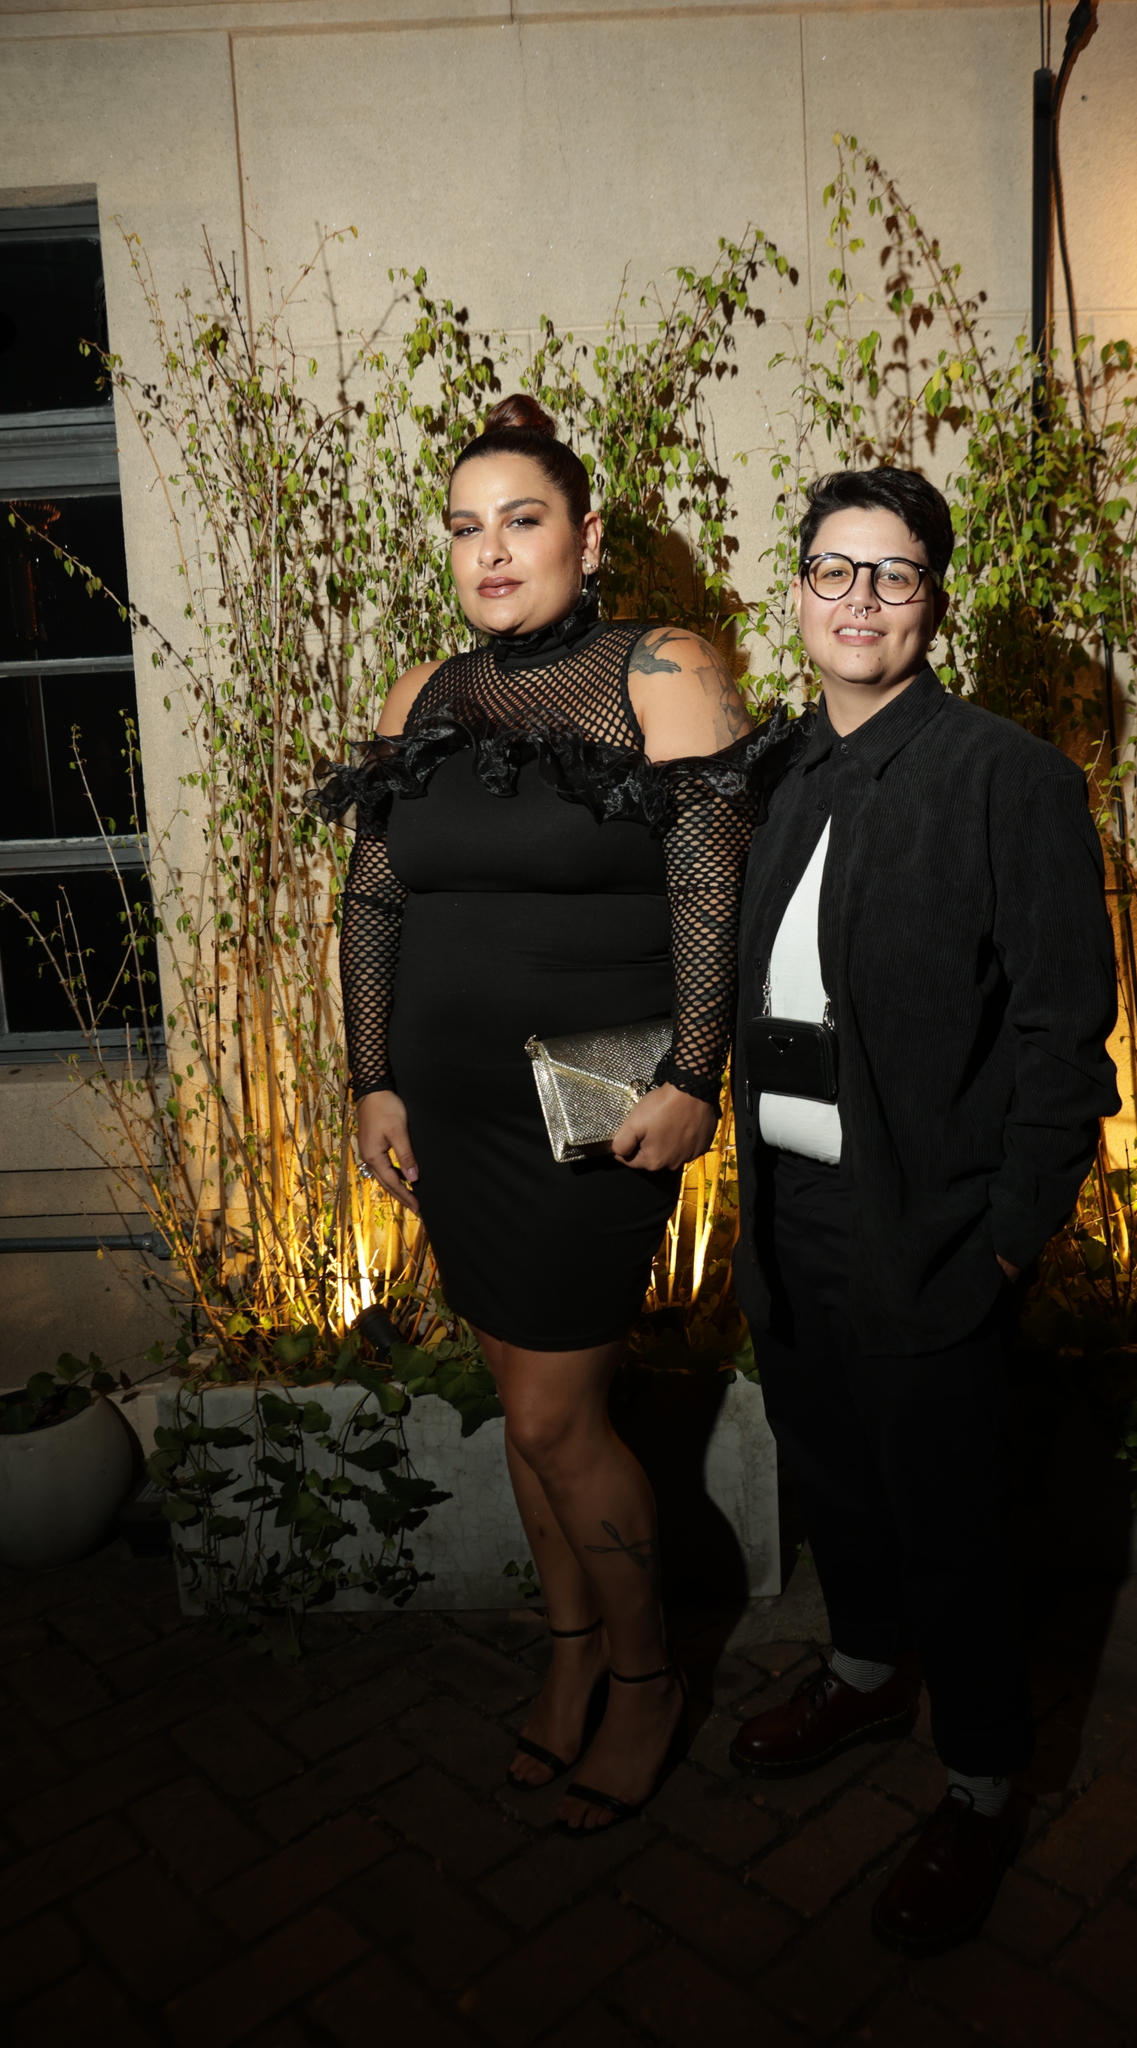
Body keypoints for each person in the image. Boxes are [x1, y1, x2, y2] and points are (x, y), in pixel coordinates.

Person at [315, 394, 778, 1834]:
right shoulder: (422, 694)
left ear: (587, 533)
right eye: (468, 528)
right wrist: (371, 1079)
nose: (493, 552)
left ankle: (645, 1680)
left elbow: (711, 888)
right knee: (522, 1416)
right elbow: (373, 900)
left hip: (595, 1083)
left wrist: (693, 1077)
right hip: (448, 1102)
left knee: (553, 1413)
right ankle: (571, 1654)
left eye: (522, 521)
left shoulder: (662, 668)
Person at [727, 466, 1120, 1952]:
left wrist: (1009, 1234)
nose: (861, 599)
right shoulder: (776, 772)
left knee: (951, 1524)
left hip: (927, 1227)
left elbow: (1063, 1037)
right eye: (836, 570)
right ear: (799, 592)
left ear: (932, 601)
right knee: (836, 1480)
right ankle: (863, 1670)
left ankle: (980, 1783)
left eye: (893, 574)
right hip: (788, 1215)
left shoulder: (1007, 779)